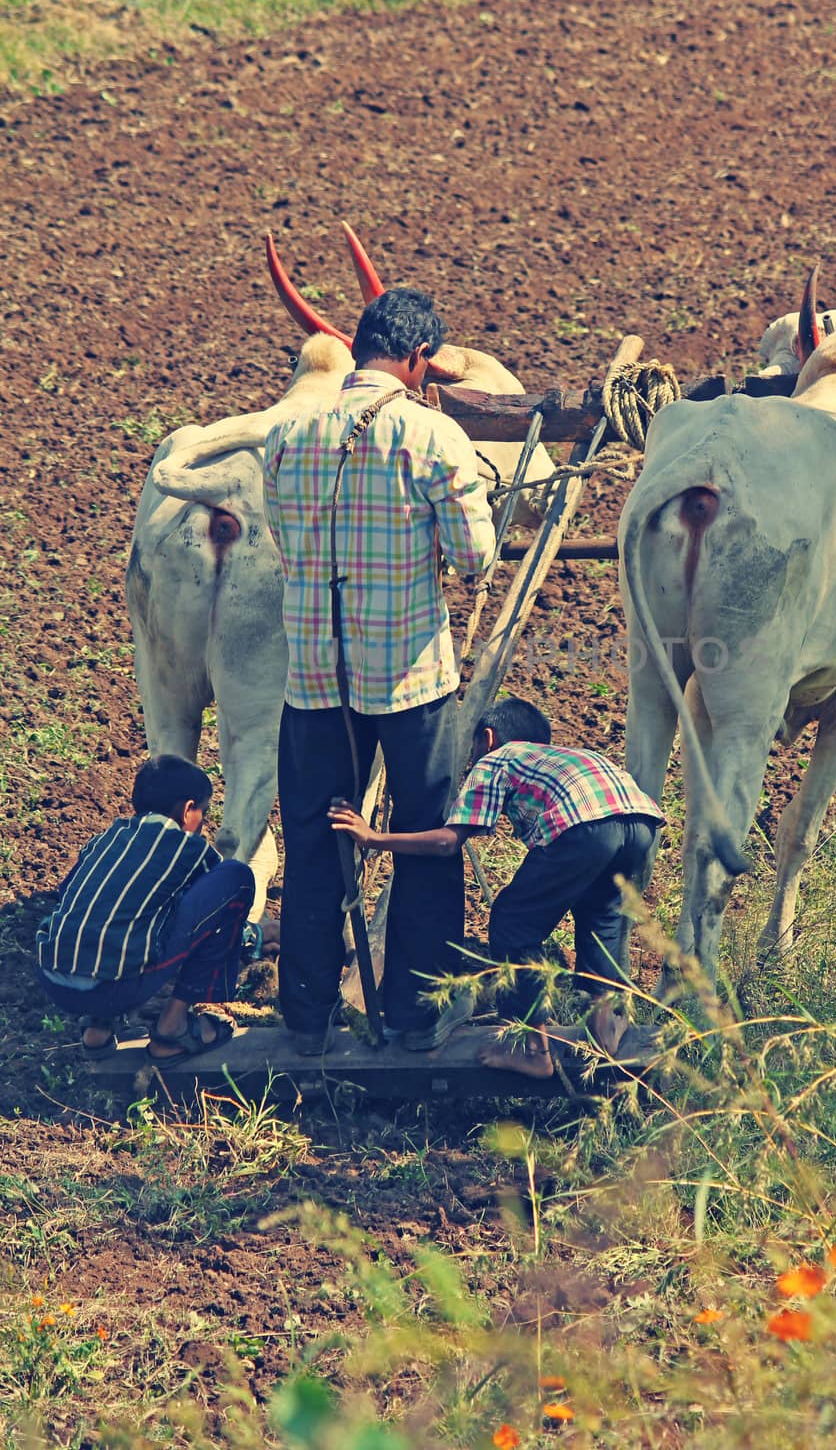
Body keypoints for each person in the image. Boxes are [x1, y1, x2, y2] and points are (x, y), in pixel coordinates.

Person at [262, 287, 496, 1057]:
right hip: (408, 679)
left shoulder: (289, 434)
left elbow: (286, 540)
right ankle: (414, 1017)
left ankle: (306, 1020)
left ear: (361, 346)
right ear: (419, 359)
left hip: (315, 682)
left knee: (310, 841)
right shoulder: (431, 433)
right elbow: (472, 559)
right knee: (426, 834)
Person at [329, 697, 665, 1080]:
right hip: (640, 822)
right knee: (598, 914)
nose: (472, 760)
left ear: (487, 738)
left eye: (473, 750)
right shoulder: (568, 757)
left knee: (511, 923)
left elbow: (448, 842)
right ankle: (606, 1026)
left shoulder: (497, 759)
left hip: (584, 825)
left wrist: (374, 839)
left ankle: (532, 1049)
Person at [35, 755, 254, 1066]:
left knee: (113, 913)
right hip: (117, 989)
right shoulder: (191, 849)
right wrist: (254, 937)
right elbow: (213, 912)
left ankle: (97, 1028)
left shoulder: (104, 841)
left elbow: (67, 893)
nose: (204, 822)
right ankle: (173, 1029)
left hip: (53, 979)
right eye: (204, 812)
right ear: (188, 810)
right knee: (236, 878)